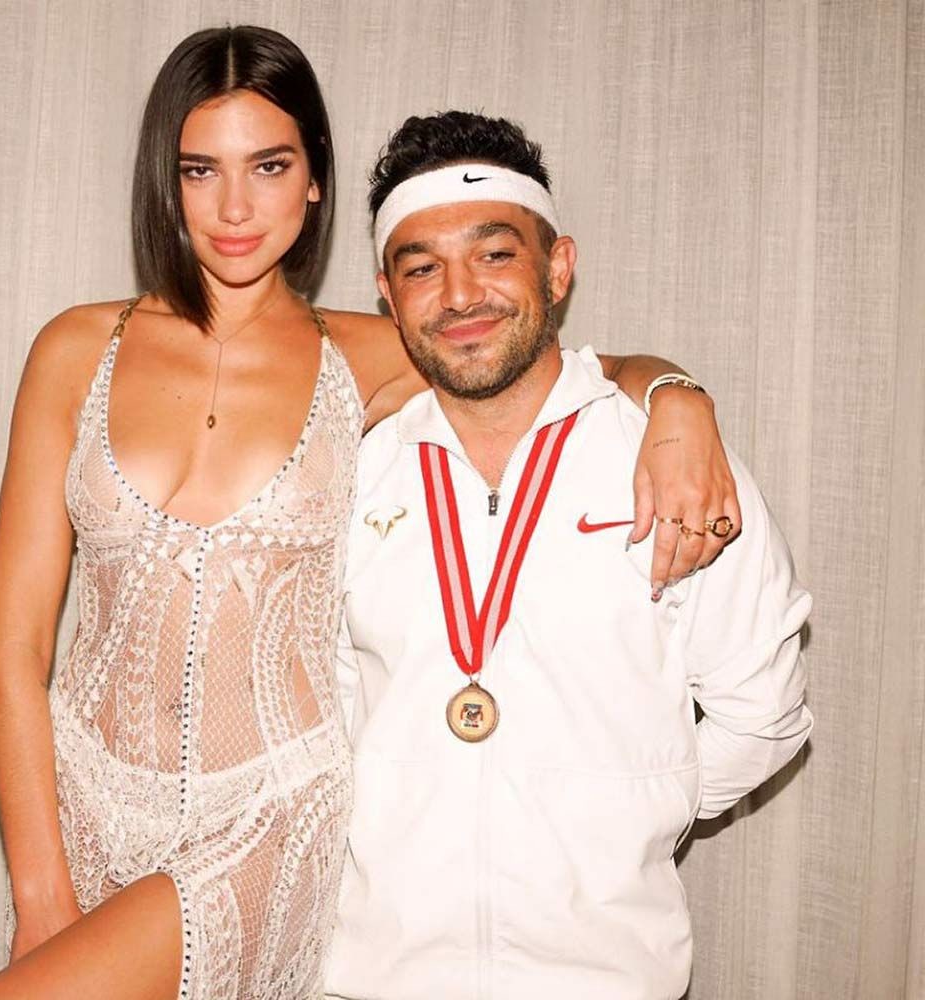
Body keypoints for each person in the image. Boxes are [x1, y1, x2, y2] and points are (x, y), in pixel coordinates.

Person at [0, 27, 740, 1000]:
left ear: (314, 179)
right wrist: (40, 892)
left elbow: (558, 367)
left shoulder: (371, 355)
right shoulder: (75, 350)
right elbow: (13, 649)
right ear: (165, 179)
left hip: (266, 817)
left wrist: (677, 397)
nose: (235, 206)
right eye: (201, 169)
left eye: (269, 166)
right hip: (83, 804)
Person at [322, 111, 813, 1000]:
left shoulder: (668, 461)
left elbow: (764, 714)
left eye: (494, 254)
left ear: (557, 267)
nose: (460, 294)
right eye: (422, 268)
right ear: (388, 297)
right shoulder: (348, 474)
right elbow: (326, 717)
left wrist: (630, 812)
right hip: (371, 977)